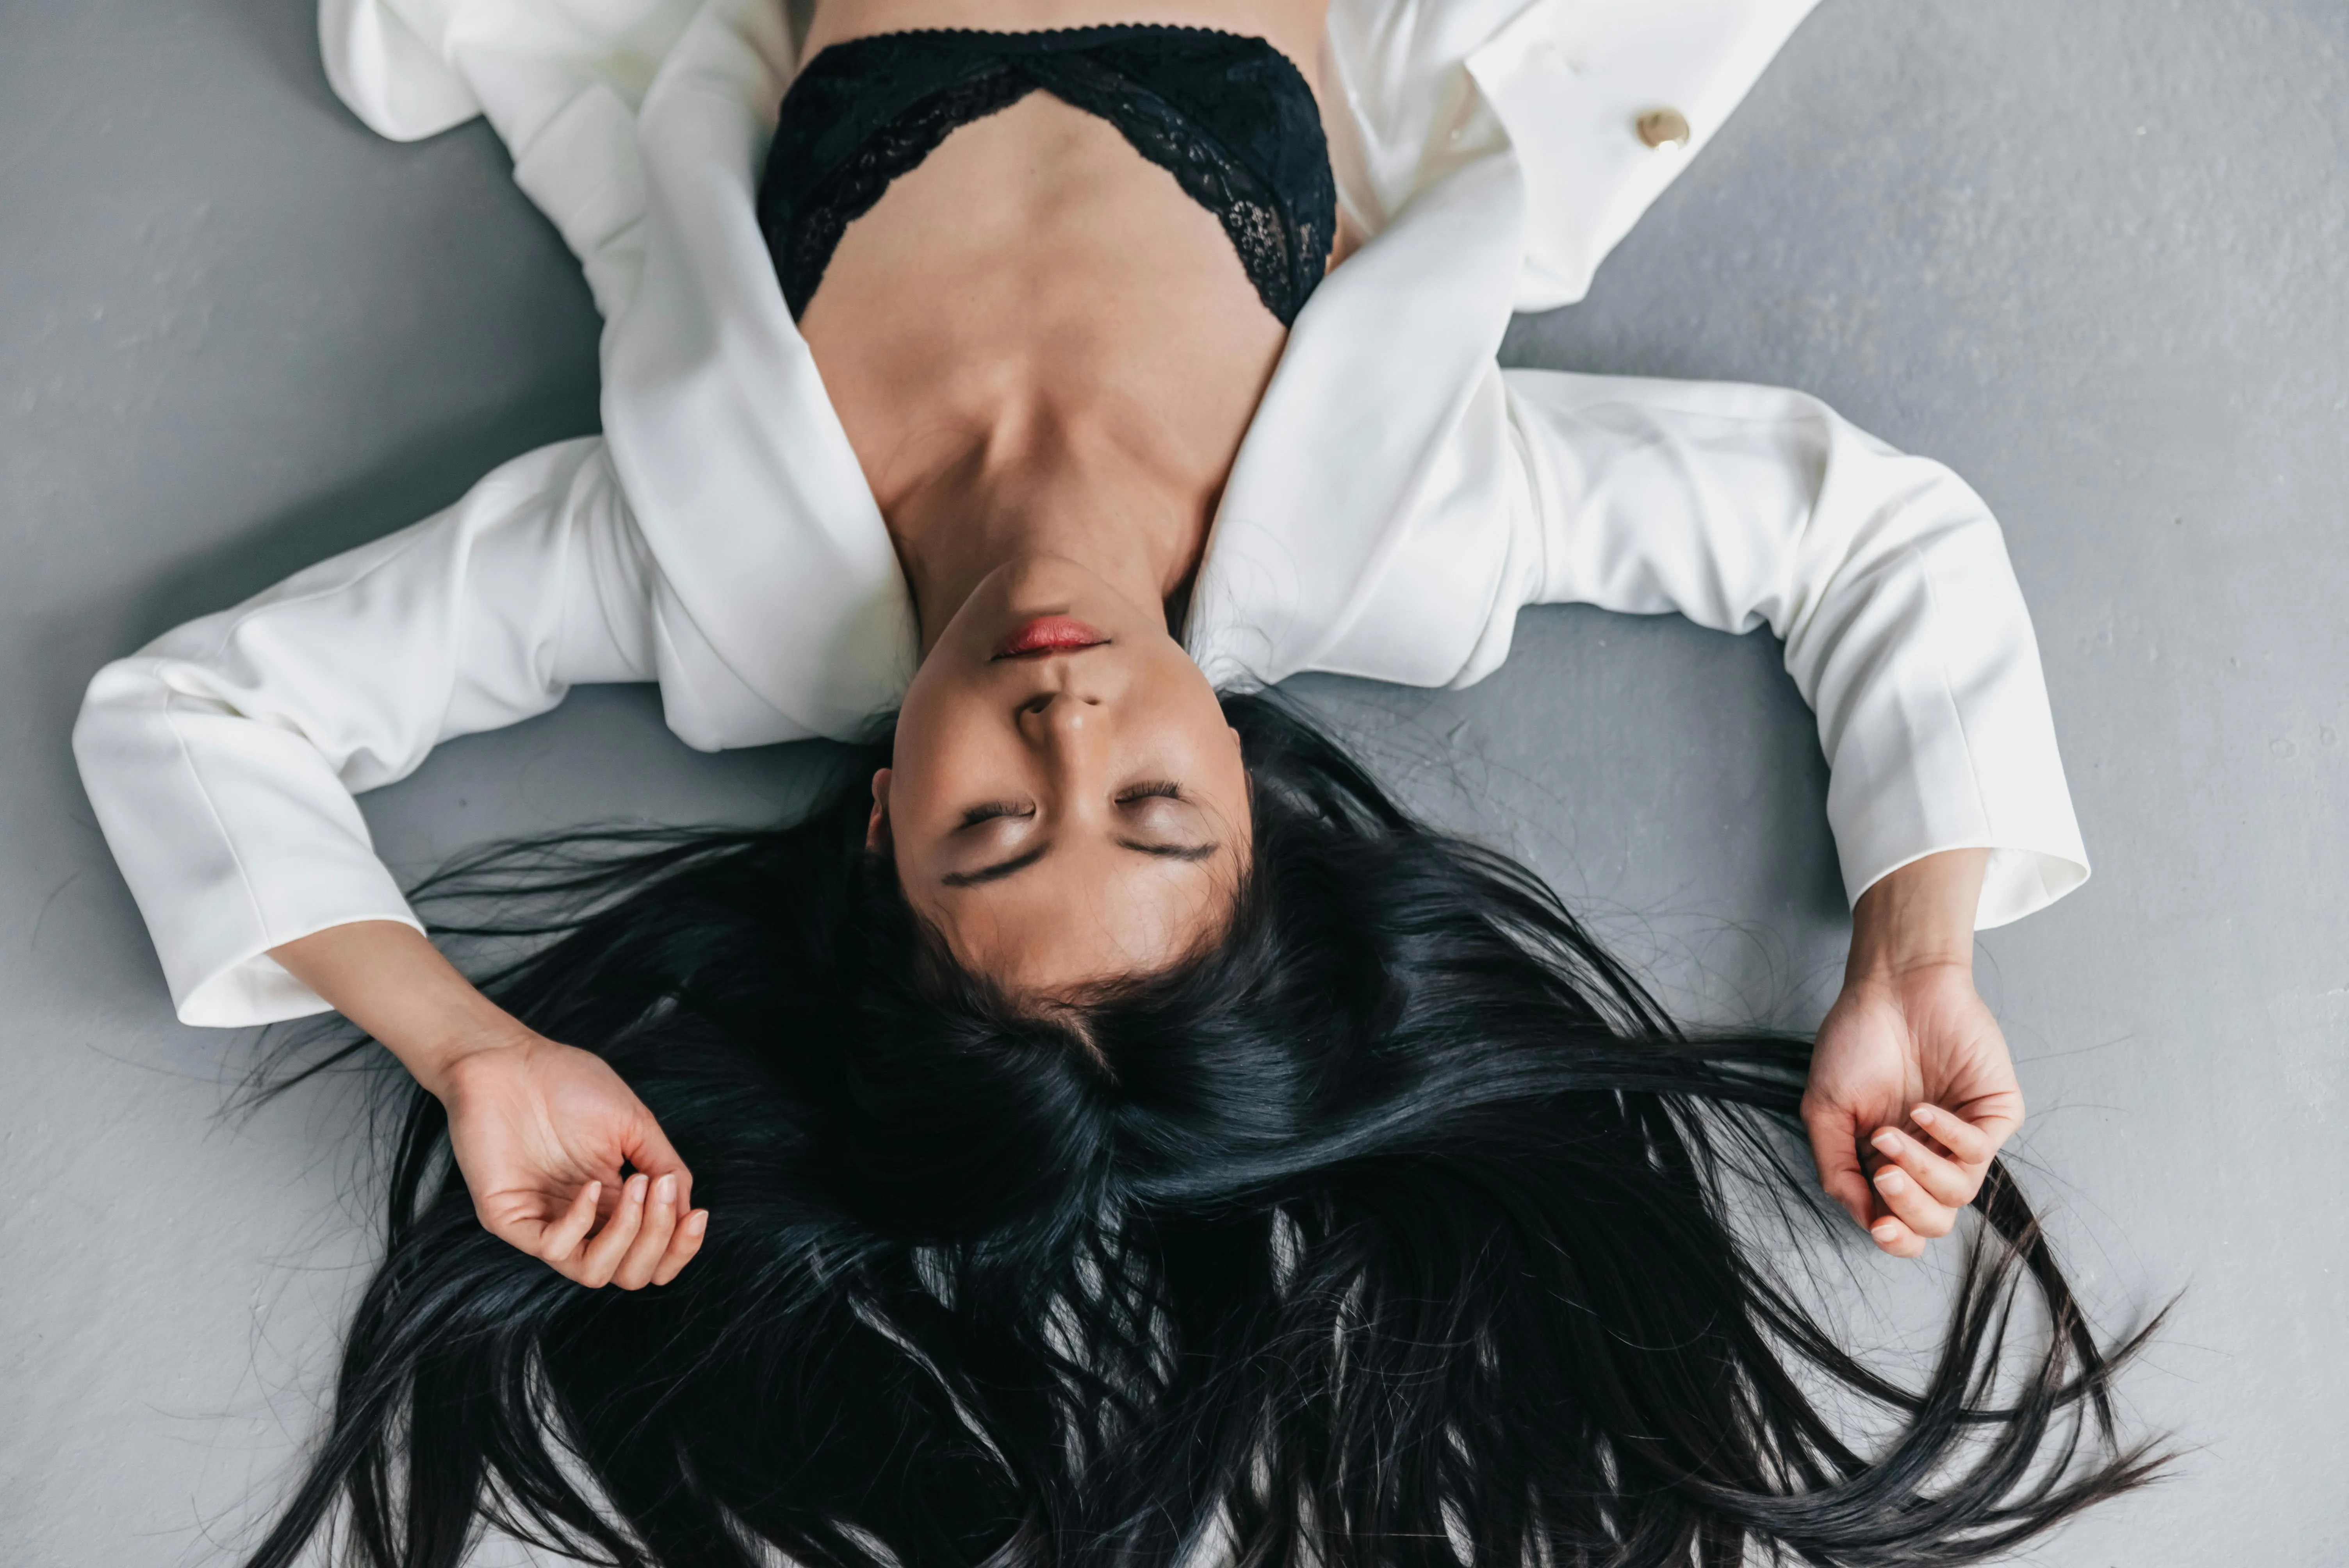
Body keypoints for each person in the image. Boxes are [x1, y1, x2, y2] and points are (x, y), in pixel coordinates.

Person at [73, 2, 2153, 1560]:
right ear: (1249, 793)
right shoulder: (1398, 531)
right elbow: (1868, 535)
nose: (1071, 727)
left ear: (882, 823)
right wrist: (1912, 948)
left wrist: (465, 1052)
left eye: (994, 827)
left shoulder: (697, 576)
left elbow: (196, 720)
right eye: (1156, 812)